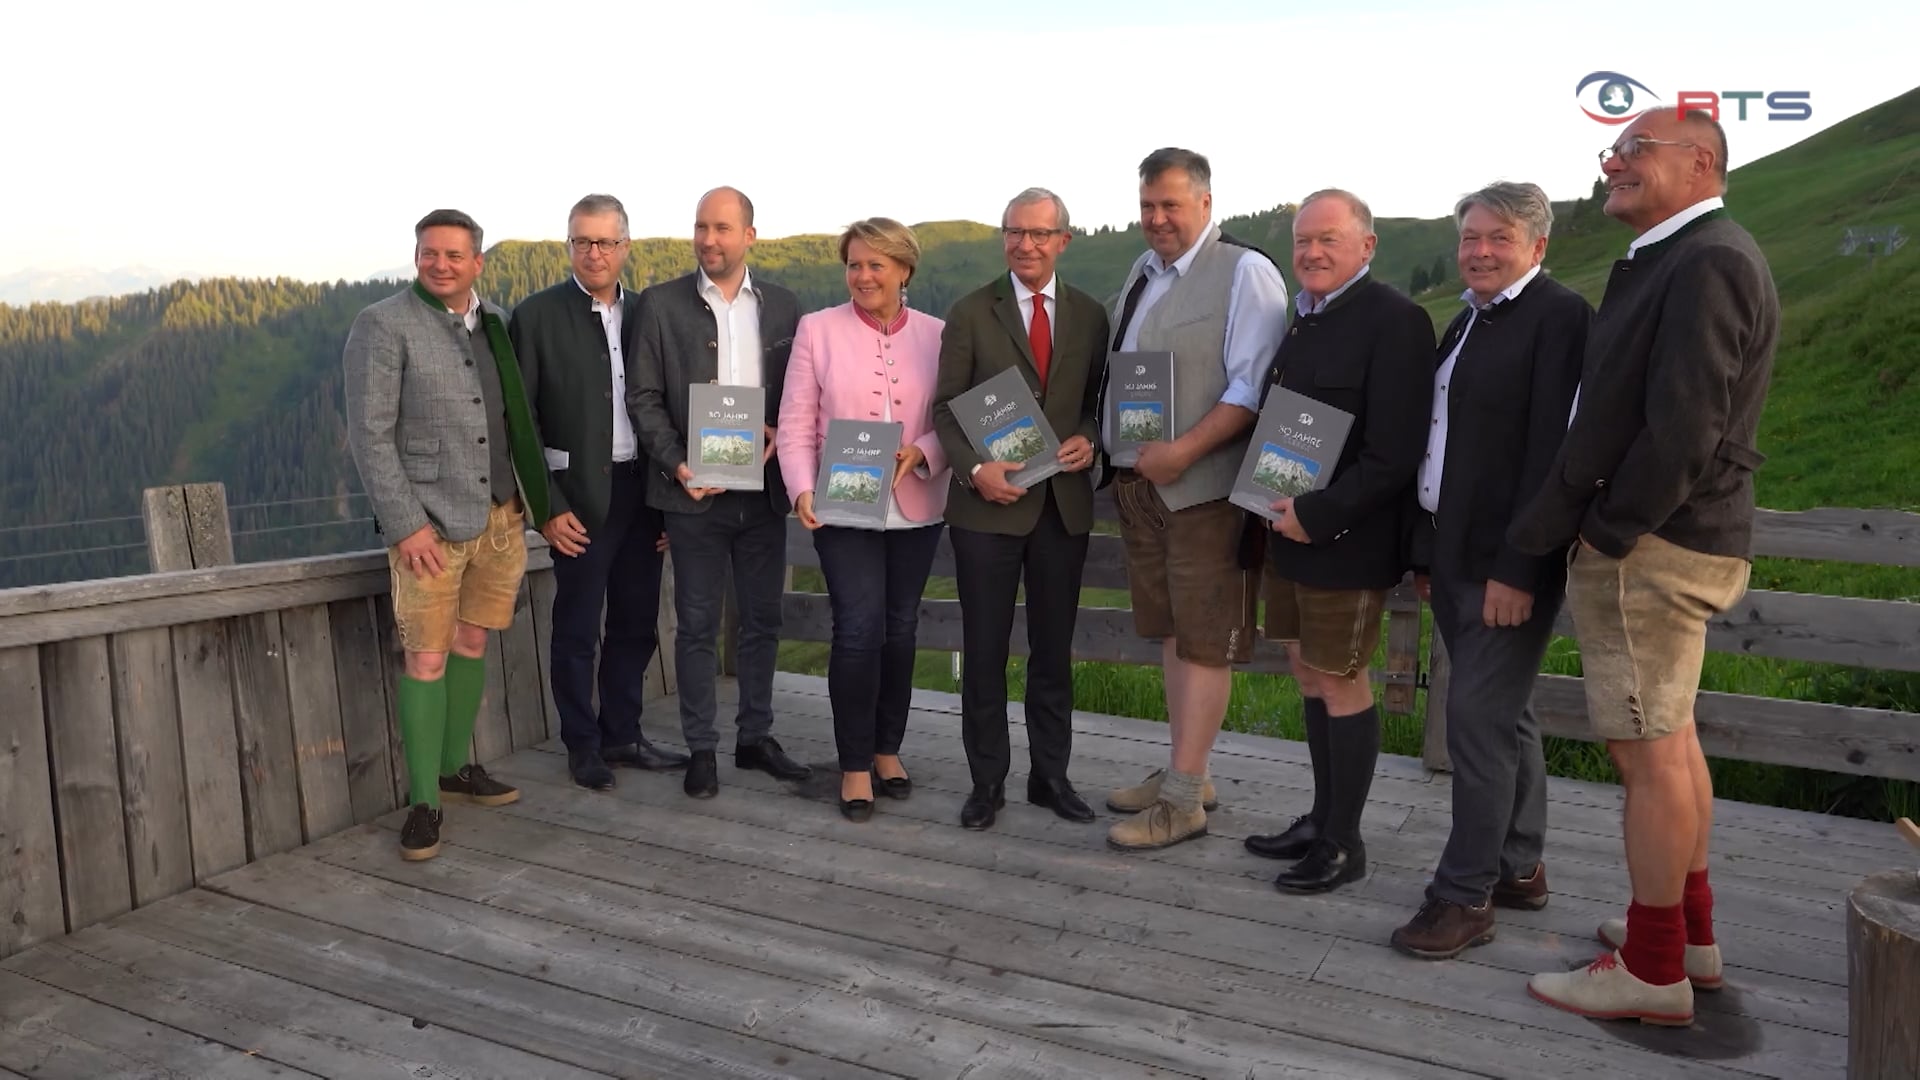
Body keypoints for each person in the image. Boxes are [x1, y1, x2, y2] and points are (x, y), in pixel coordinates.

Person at [1509, 107, 1778, 1026]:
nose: (1611, 162)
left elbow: (1685, 429)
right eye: (1613, 149)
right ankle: (1686, 938)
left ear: (1700, 162)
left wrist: (1610, 531)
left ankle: (1654, 971)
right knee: (1675, 742)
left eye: (1635, 150)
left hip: (1653, 549)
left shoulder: (1705, 259)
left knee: (1648, 755)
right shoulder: (1689, 253)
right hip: (1681, 541)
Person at [1388, 182, 1590, 958]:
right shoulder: (1466, 321)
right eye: (1470, 237)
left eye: (1498, 238)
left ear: (1538, 247)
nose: (1478, 251)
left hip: (1506, 564)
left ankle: (1464, 894)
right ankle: (1519, 864)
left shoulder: (1559, 317)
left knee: (1473, 719)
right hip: (1454, 554)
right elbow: (1436, 442)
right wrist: (1424, 553)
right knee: (1507, 714)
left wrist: (1521, 567)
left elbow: (1553, 452)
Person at [1242, 189, 1434, 894]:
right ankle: (1321, 819)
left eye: (1328, 240)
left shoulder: (1397, 321)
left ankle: (1345, 844)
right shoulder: (1305, 320)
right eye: (1302, 243)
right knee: (1306, 671)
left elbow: (1394, 453)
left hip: (1343, 540)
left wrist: (1319, 516)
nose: (1312, 254)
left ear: (1366, 246)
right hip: (1287, 531)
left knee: (1342, 678)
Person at [342, 209, 550, 860]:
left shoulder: (497, 324)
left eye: (454, 255)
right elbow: (369, 435)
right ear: (416, 256)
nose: (440, 264)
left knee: (470, 641)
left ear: (477, 263)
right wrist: (406, 525)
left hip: (499, 517)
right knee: (425, 657)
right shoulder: (381, 324)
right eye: (430, 253)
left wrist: (524, 503)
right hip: (428, 526)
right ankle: (423, 803)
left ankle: (457, 770)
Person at [1100, 148, 1290, 853]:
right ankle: (1190, 772)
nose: (1157, 219)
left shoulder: (1247, 272)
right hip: (1145, 489)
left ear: (1206, 203)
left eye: (1171, 205)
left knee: (1206, 640)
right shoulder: (1143, 272)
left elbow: (1252, 385)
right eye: (1148, 205)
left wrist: (1182, 451)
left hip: (1206, 491)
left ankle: (1182, 803)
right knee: (1176, 634)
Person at [932, 188, 1110, 832]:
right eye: (1015, 232)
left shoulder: (1092, 315)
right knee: (983, 652)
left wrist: (1090, 438)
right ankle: (987, 781)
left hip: (1060, 509)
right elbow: (946, 406)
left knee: (1053, 652)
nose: (1026, 245)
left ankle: (1050, 777)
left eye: (1039, 234)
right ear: (1003, 237)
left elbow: (1096, 402)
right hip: (987, 512)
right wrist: (976, 469)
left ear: (1064, 239)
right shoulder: (972, 311)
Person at [629, 187, 810, 798]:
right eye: (701, 227)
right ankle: (702, 747)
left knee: (762, 619)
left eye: (723, 228)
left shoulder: (785, 307)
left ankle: (755, 737)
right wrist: (680, 464)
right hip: (692, 496)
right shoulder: (659, 305)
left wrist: (779, 430)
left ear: (749, 236)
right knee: (698, 624)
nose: (710, 239)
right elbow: (643, 398)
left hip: (762, 493)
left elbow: (802, 394)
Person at [510, 193, 686, 791]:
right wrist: (547, 508)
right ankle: (582, 745)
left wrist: (672, 503)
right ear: (569, 246)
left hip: (644, 495)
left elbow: (672, 407)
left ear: (626, 248)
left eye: (606, 241)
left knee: (637, 623)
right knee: (578, 628)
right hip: (578, 501)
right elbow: (521, 423)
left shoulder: (649, 313)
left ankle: (623, 734)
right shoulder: (535, 317)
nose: (594, 252)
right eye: (582, 241)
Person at [777, 218, 951, 821]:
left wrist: (925, 450)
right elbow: (796, 421)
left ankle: (886, 749)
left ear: (905, 270)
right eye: (854, 264)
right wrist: (801, 487)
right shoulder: (817, 330)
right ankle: (853, 763)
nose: (863, 276)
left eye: (876, 264)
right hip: (841, 507)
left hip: (918, 507)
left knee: (900, 628)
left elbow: (951, 420)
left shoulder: (938, 334)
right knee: (857, 627)